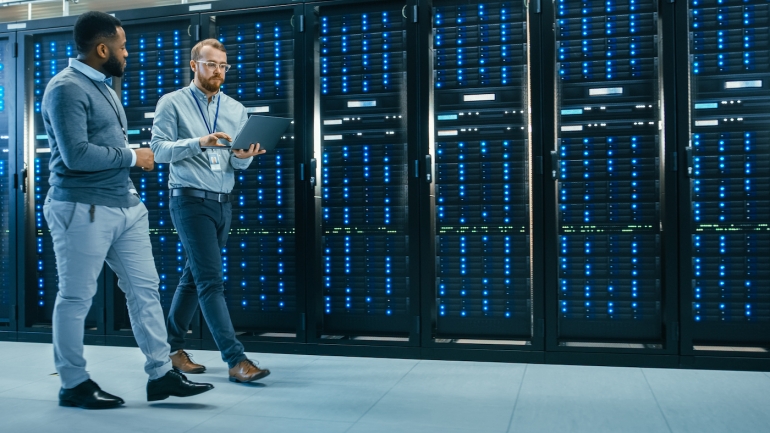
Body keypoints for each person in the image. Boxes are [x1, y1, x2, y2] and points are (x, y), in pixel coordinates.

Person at [41, 11, 214, 409]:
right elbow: (76, 155)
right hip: (81, 208)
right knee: (75, 298)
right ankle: (73, 383)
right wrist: (134, 157)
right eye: (121, 46)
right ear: (102, 49)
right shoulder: (65, 88)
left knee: (145, 290)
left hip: (124, 206)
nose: (128, 52)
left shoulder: (103, 86)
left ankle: (160, 375)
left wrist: (132, 181)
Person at [151, 39, 270, 383]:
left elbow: (234, 161)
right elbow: (158, 151)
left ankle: (170, 349)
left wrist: (243, 158)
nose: (218, 71)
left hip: (223, 203)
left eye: (223, 66)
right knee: (210, 281)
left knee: (194, 277)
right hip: (188, 200)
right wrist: (198, 143)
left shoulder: (235, 108)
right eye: (211, 64)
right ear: (194, 65)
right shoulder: (171, 103)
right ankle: (236, 360)